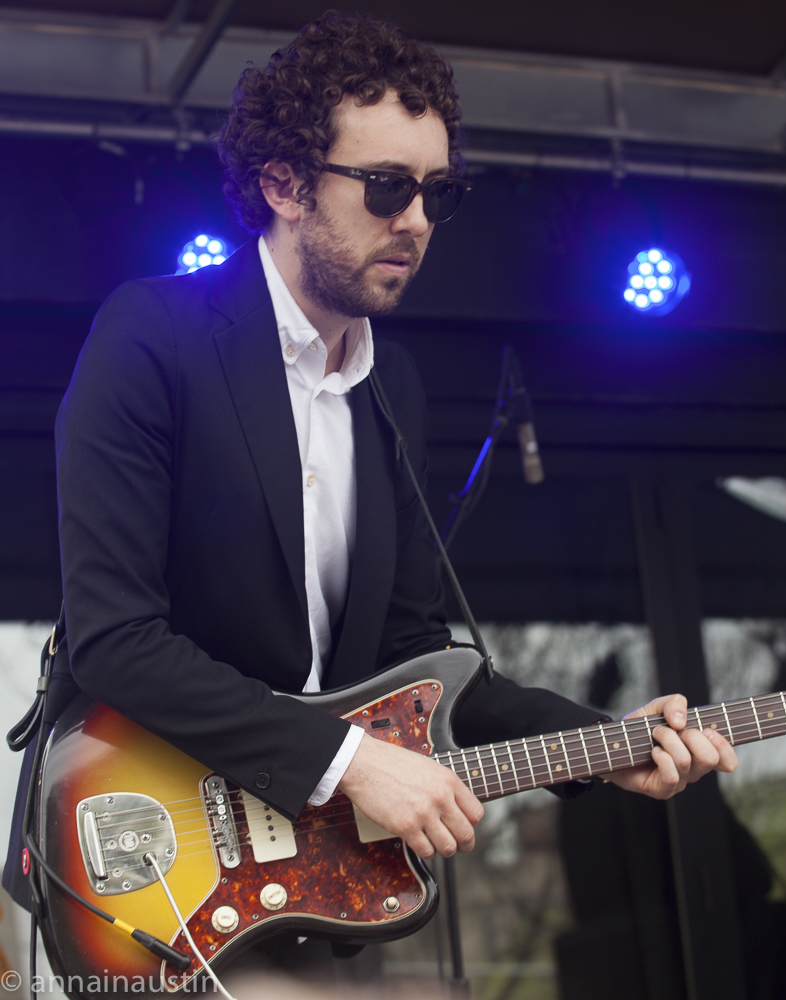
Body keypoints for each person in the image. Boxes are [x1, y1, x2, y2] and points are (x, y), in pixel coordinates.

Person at [5, 9, 736, 993]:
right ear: (282, 184)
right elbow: (115, 636)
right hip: (148, 861)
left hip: (318, 887)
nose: (418, 220)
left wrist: (602, 743)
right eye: (387, 187)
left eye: (439, 191)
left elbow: (416, 662)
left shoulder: (391, 389)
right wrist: (346, 762)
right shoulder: (154, 336)